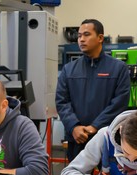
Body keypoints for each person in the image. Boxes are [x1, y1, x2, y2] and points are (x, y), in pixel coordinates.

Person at [56, 19, 130, 162]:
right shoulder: (69, 69)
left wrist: (95, 126)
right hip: (77, 138)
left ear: (100, 38)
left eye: (86, 34)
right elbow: (62, 101)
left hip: (107, 138)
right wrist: (74, 127)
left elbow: (120, 102)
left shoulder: (118, 68)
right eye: (79, 36)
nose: (81, 39)